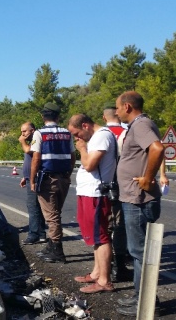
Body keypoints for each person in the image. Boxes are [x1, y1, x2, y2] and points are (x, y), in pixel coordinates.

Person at [113, 91, 164, 317]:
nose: (115, 112)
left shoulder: (141, 124)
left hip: (139, 199)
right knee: (139, 251)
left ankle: (145, 300)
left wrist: (147, 178)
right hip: (134, 198)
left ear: (126, 106)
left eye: (117, 108)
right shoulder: (138, 125)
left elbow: (157, 148)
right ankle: (141, 295)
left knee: (139, 251)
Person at [67, 114, 117, 293]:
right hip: (87, 192)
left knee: (101, 236)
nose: (77, 138)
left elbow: (90, 165)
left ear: (86, 125)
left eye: (77, 133)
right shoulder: (96, 137)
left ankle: (104, 280)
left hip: (96, 194)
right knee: (95, 236)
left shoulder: (102, 136)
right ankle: (97, 273)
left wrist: (81, 148)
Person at [29, 102, 75, 263]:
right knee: (55, 212)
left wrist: (32, 179)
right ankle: (50, 246)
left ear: (43, 116)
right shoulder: (66, 133)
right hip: (63, 177)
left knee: (52, 215)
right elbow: (72, 155)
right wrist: (68, 173)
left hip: (47, 178)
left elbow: (36, 158)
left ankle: (57, 249)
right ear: (58, 116)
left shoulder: (39, 133)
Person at [102, 103, 134, 282]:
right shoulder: (127, 131)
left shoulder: (99, 134)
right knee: (120, 223)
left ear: (104, 117)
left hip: (105, 184)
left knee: (106, 222)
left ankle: (108, 263)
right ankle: (120, 261)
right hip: (123, 182)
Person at [19, 122, 47, 245]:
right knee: (36, 206)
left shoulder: (36, 138)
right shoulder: (33, 139)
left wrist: (22, 142)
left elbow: (28, 151)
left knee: (33, 206)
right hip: (31, 177)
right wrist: (25, 177)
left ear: (32, 130)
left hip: (35, 178)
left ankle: (33, 234)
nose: (22, 134)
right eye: (21, 132)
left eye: (24, 131)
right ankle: (41, 234)